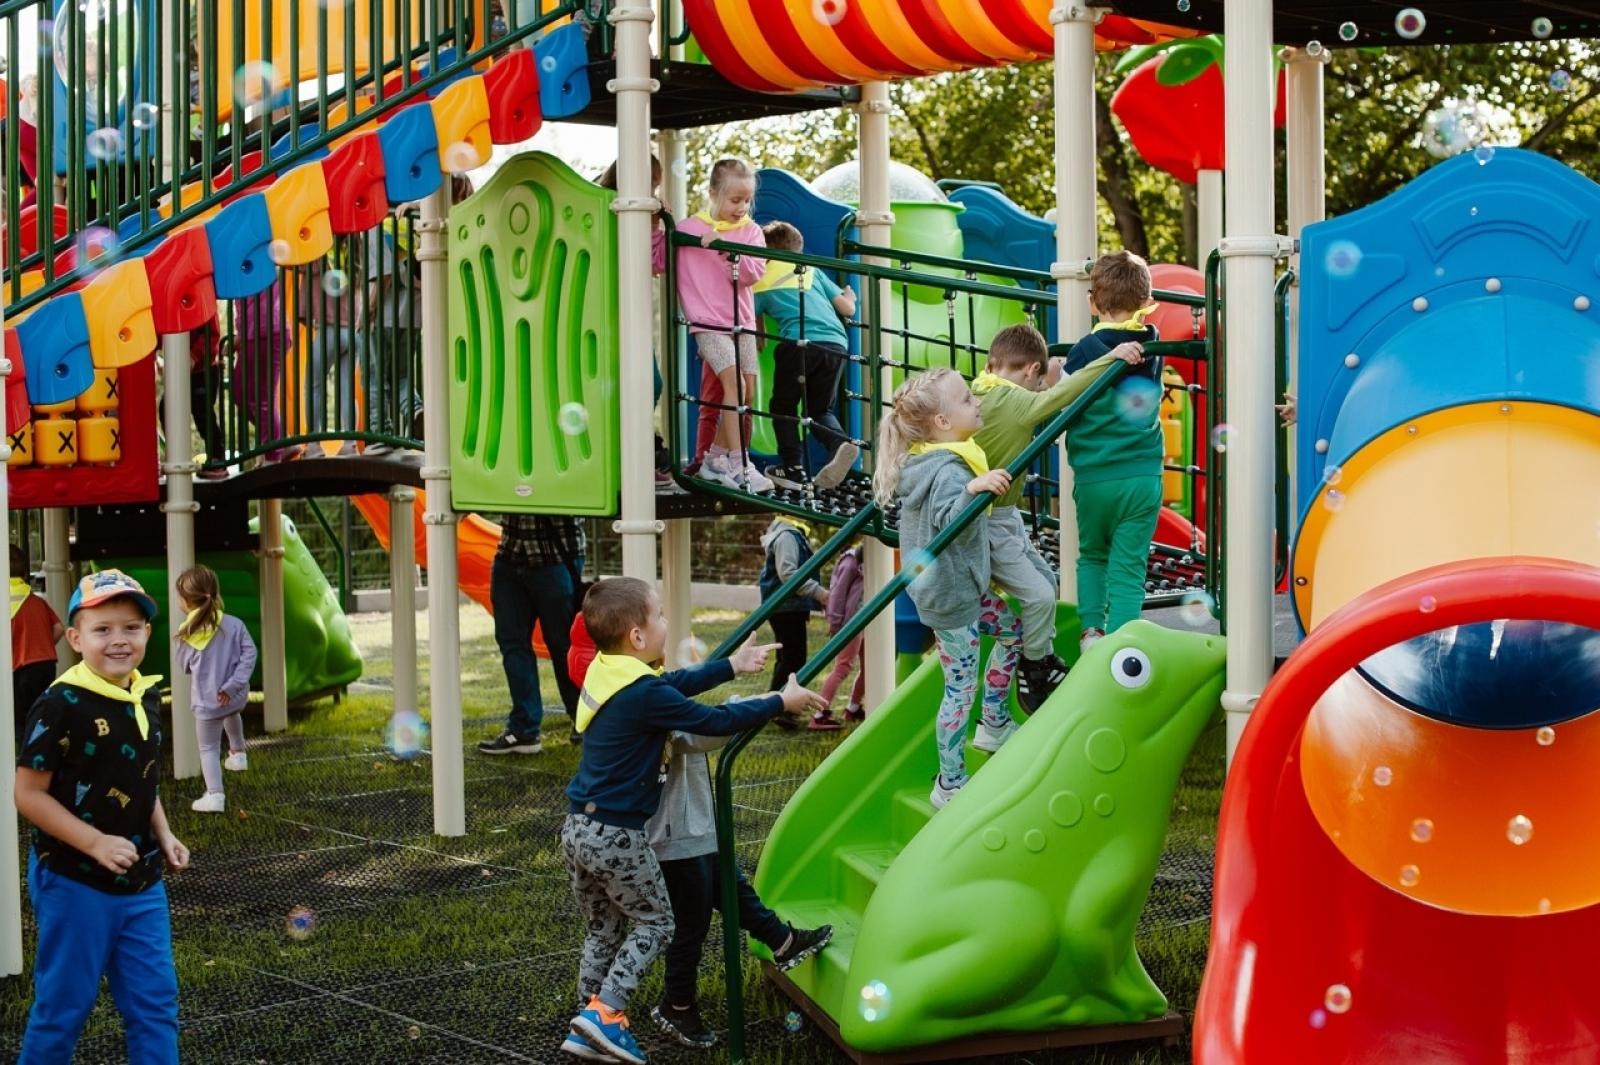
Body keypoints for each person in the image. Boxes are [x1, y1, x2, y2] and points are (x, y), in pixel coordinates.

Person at [559, 577, 823, 1063]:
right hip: (617, 834)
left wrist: (731, 666)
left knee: (603, 930)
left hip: (577, 828)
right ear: (637, 636)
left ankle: (586, 1018)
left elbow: (670, 684)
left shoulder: (607, 670)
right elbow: (714, 723)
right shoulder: (641, 694)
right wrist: (779, 702)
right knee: (657, 923)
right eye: (658, 616)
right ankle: (606, 1014)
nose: (664, 622)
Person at [15, 569, 190, 1063]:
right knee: (64, 1007)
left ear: (148, 634)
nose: (119, 640)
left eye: (131, 628)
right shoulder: (59, 704)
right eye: (103, 629)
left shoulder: (145, 693)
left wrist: (163, 831)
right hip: (73, 880)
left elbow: (140, 776)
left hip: (141, 880)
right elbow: (27, 795)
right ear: (75, 638)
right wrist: (94, 843)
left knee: (156, 1004)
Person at [971, 323, 1145, 711]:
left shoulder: (979, 390)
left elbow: (1047, 395)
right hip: (986, 519)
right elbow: (1063, 395)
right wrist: (1109, 359)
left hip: (1004, 514)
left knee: (1045, 581)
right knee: (1039, 594)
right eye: (1038, 381)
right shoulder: (1015, 403)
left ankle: (1041, 654)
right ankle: (1033, 668)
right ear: (1032, 370)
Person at [873, 369, 1022, 809]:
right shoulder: (948, 470)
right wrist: (973, 489)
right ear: (942, 422)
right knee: (959, 686)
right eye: (965, 400)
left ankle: (994, 720)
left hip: (961, 588)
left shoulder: (930, 459)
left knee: (1011, 630)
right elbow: (948, 521)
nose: (975, 402)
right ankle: (950, 782)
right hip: (951, 599)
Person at [645, 730, 833, 1049]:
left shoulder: (661, 686)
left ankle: (782, 941)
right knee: (692, 922)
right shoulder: (648, 691)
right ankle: (676, 1005)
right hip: (674, 834)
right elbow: (701, 731)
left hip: (693, 826)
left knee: (732, 887)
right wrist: (767, 704)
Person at [1061, 251, 1165, 653]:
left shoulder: (1085, 351)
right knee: (1129, 565)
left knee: (1092, 555)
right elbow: (1144, 326)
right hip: (1142, 473)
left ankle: (1091, 631)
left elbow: (1064, 398)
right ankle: (1122, 640)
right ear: (1145, 301)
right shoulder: (1153, 342)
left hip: (1093, 476)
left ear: (1091, 302)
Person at [676, 158, 772, 493]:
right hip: (707, 323)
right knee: (732, 385)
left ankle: (715, 457)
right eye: (735, 200)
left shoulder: (751, 231)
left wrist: (723, 248)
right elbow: (659, 259)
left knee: (747, 390)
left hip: (741, 320)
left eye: (747, 200)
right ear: (713, 192)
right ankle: (739, 461)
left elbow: (752, 274)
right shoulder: (688, 230)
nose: (742, 207)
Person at [753, 221, 860, 491]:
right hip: (836, 345)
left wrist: (760, 330)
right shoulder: (810, 270)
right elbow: (847, 309)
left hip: (799, 345)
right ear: (798, 250)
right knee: (819, 409)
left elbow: (748, 318)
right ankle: (839, 443)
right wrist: (851, 295)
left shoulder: (761, 278)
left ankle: (792, 468)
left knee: (784, 407)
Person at [596, 157, 674, 487]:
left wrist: (658, 225)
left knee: (650, 384)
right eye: (650, 184)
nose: (653, 191)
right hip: (602, 315)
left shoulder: (644, 219)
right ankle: (630, 454)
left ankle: (641, 450)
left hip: (634, 317)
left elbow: (657, 263)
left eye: (655, 186)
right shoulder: (601, 208)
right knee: (615, 387)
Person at [479, 515, 584, 754]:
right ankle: (524, 730)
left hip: (555, 556)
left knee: (565, 646)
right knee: (512, 644)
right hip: (510, 555)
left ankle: (584, 720)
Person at [173, 564, 258, 814]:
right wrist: (233, 685)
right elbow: (249, 654)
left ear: (186, 601)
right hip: (235, 696)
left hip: (208, 702)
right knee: (231, 713)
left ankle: (215, 796)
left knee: (208, 748)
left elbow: (184, 667)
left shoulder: (187, 633)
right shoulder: (235, 624)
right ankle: (239, 754)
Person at [757, 515, 827, 731]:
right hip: (785, 606)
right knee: (793, 658)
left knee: (789, 658)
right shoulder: (787, 535)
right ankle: (781, 707)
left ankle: (776, 706)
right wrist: (821, 594)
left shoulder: (789, 532)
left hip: (787, 607)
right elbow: (788, 573)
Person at [9, 544, 63, 745]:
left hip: (19, 667)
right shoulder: (37, 602)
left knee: (19, 718)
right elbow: (59, 628)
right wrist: (44, 644)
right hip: (45, 663)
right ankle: (46, 751)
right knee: (40, 712)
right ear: (24, 572)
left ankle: (26, 759)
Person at [815, 539, 866, 728]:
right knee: (843, 667)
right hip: (850, 622)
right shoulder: (851, 561)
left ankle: (853, 707)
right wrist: (835, 623)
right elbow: (837, 594)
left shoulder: (870, 559)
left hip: (867, 620)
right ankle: (819, 714)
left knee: (870, 667)